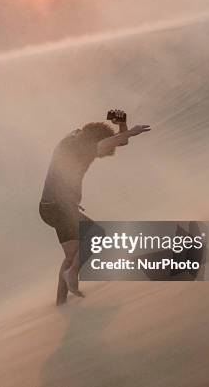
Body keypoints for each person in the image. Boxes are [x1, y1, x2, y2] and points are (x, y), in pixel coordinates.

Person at [39, 115, 151, 305]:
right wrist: (131, 131)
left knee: (72, 256)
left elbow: (118, 141)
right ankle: (73, 273)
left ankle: (61, 302)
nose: (103, 151)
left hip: (52, 208)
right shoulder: (74, 147)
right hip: (58, 208)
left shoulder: (76, 142)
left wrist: (122, 125)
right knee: (97, 234)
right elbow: (108, 143)